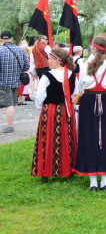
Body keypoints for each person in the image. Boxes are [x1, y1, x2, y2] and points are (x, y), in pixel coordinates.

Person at [74, 36, 106, 191]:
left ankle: (93, 182)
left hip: (88, 102)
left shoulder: (86, 66)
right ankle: (104, 180)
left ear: (95, 48)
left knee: (88, 137)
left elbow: (81, 85)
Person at [31, 47, 78, 183]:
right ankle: (69, 171)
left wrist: (42, 110)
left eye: (50, 59)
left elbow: (40, 97)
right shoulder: (72, 75)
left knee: (48, 139)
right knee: (67, 139)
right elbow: (75, 95)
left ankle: (45, 173)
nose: (48, 61)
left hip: (51, 110)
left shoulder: (47, 76)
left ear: (57, 61)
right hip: (67, 110)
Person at [0, 31, 30, 134]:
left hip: (3, 82)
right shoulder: (20, 50)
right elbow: (26, 66)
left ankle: (9, 126)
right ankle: (10, 125)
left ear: (1, 39)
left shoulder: (0, 50)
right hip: (16, 82)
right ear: (11, 39)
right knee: (11, 104)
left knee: (9, 105)